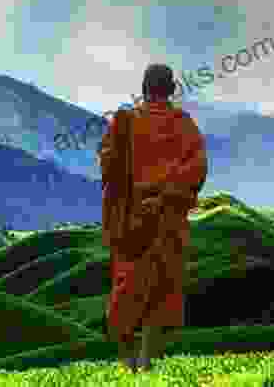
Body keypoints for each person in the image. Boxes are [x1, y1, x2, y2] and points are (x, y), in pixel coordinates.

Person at [96, 64, 208, 373]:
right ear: (171, 89)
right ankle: (145, 363)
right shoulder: (184, 125)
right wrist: (167, 193)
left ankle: (128, 363)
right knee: (159, 292)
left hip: (132, 221)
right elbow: (197, 169)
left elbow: (108, 167)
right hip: (168, 221)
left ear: (144, 88)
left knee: (127, 291)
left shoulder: (125, 121)